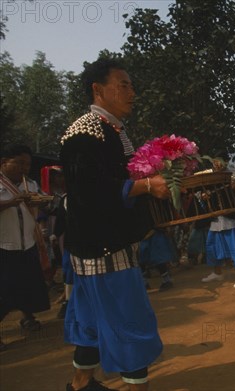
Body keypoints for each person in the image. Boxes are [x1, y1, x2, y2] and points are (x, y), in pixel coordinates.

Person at [60, 58, 170, 391]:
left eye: (131, 85)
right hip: (104, 247)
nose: (132, 93)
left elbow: (115, 180)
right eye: (124, 85)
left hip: (93, 245)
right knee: (130, 322)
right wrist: (147, 186)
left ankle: (80, 383)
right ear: (98, 90)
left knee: (90, 321)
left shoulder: (113, 131)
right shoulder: (85, 132)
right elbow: (90, 191)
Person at [0, 144, 51, 348]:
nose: (24, 168)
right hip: (4, 245)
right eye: (19, 163)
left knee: (28, 286)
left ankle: (27, 317)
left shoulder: (29, 184)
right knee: (6, 290)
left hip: (27, 244)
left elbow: (43, 203)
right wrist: (13, 202)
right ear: (4, 162)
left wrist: (42, 201)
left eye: (27, 164)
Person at [201, 158, 235, 288]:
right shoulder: (210, 180)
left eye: (219, 161)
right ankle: (217, 272)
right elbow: (205, 199)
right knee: (212, 246)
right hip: (216, 219)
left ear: (225, 163)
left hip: (231, 220)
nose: (217, 164)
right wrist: (205, 197)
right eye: (214, 162)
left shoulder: (234, 179)